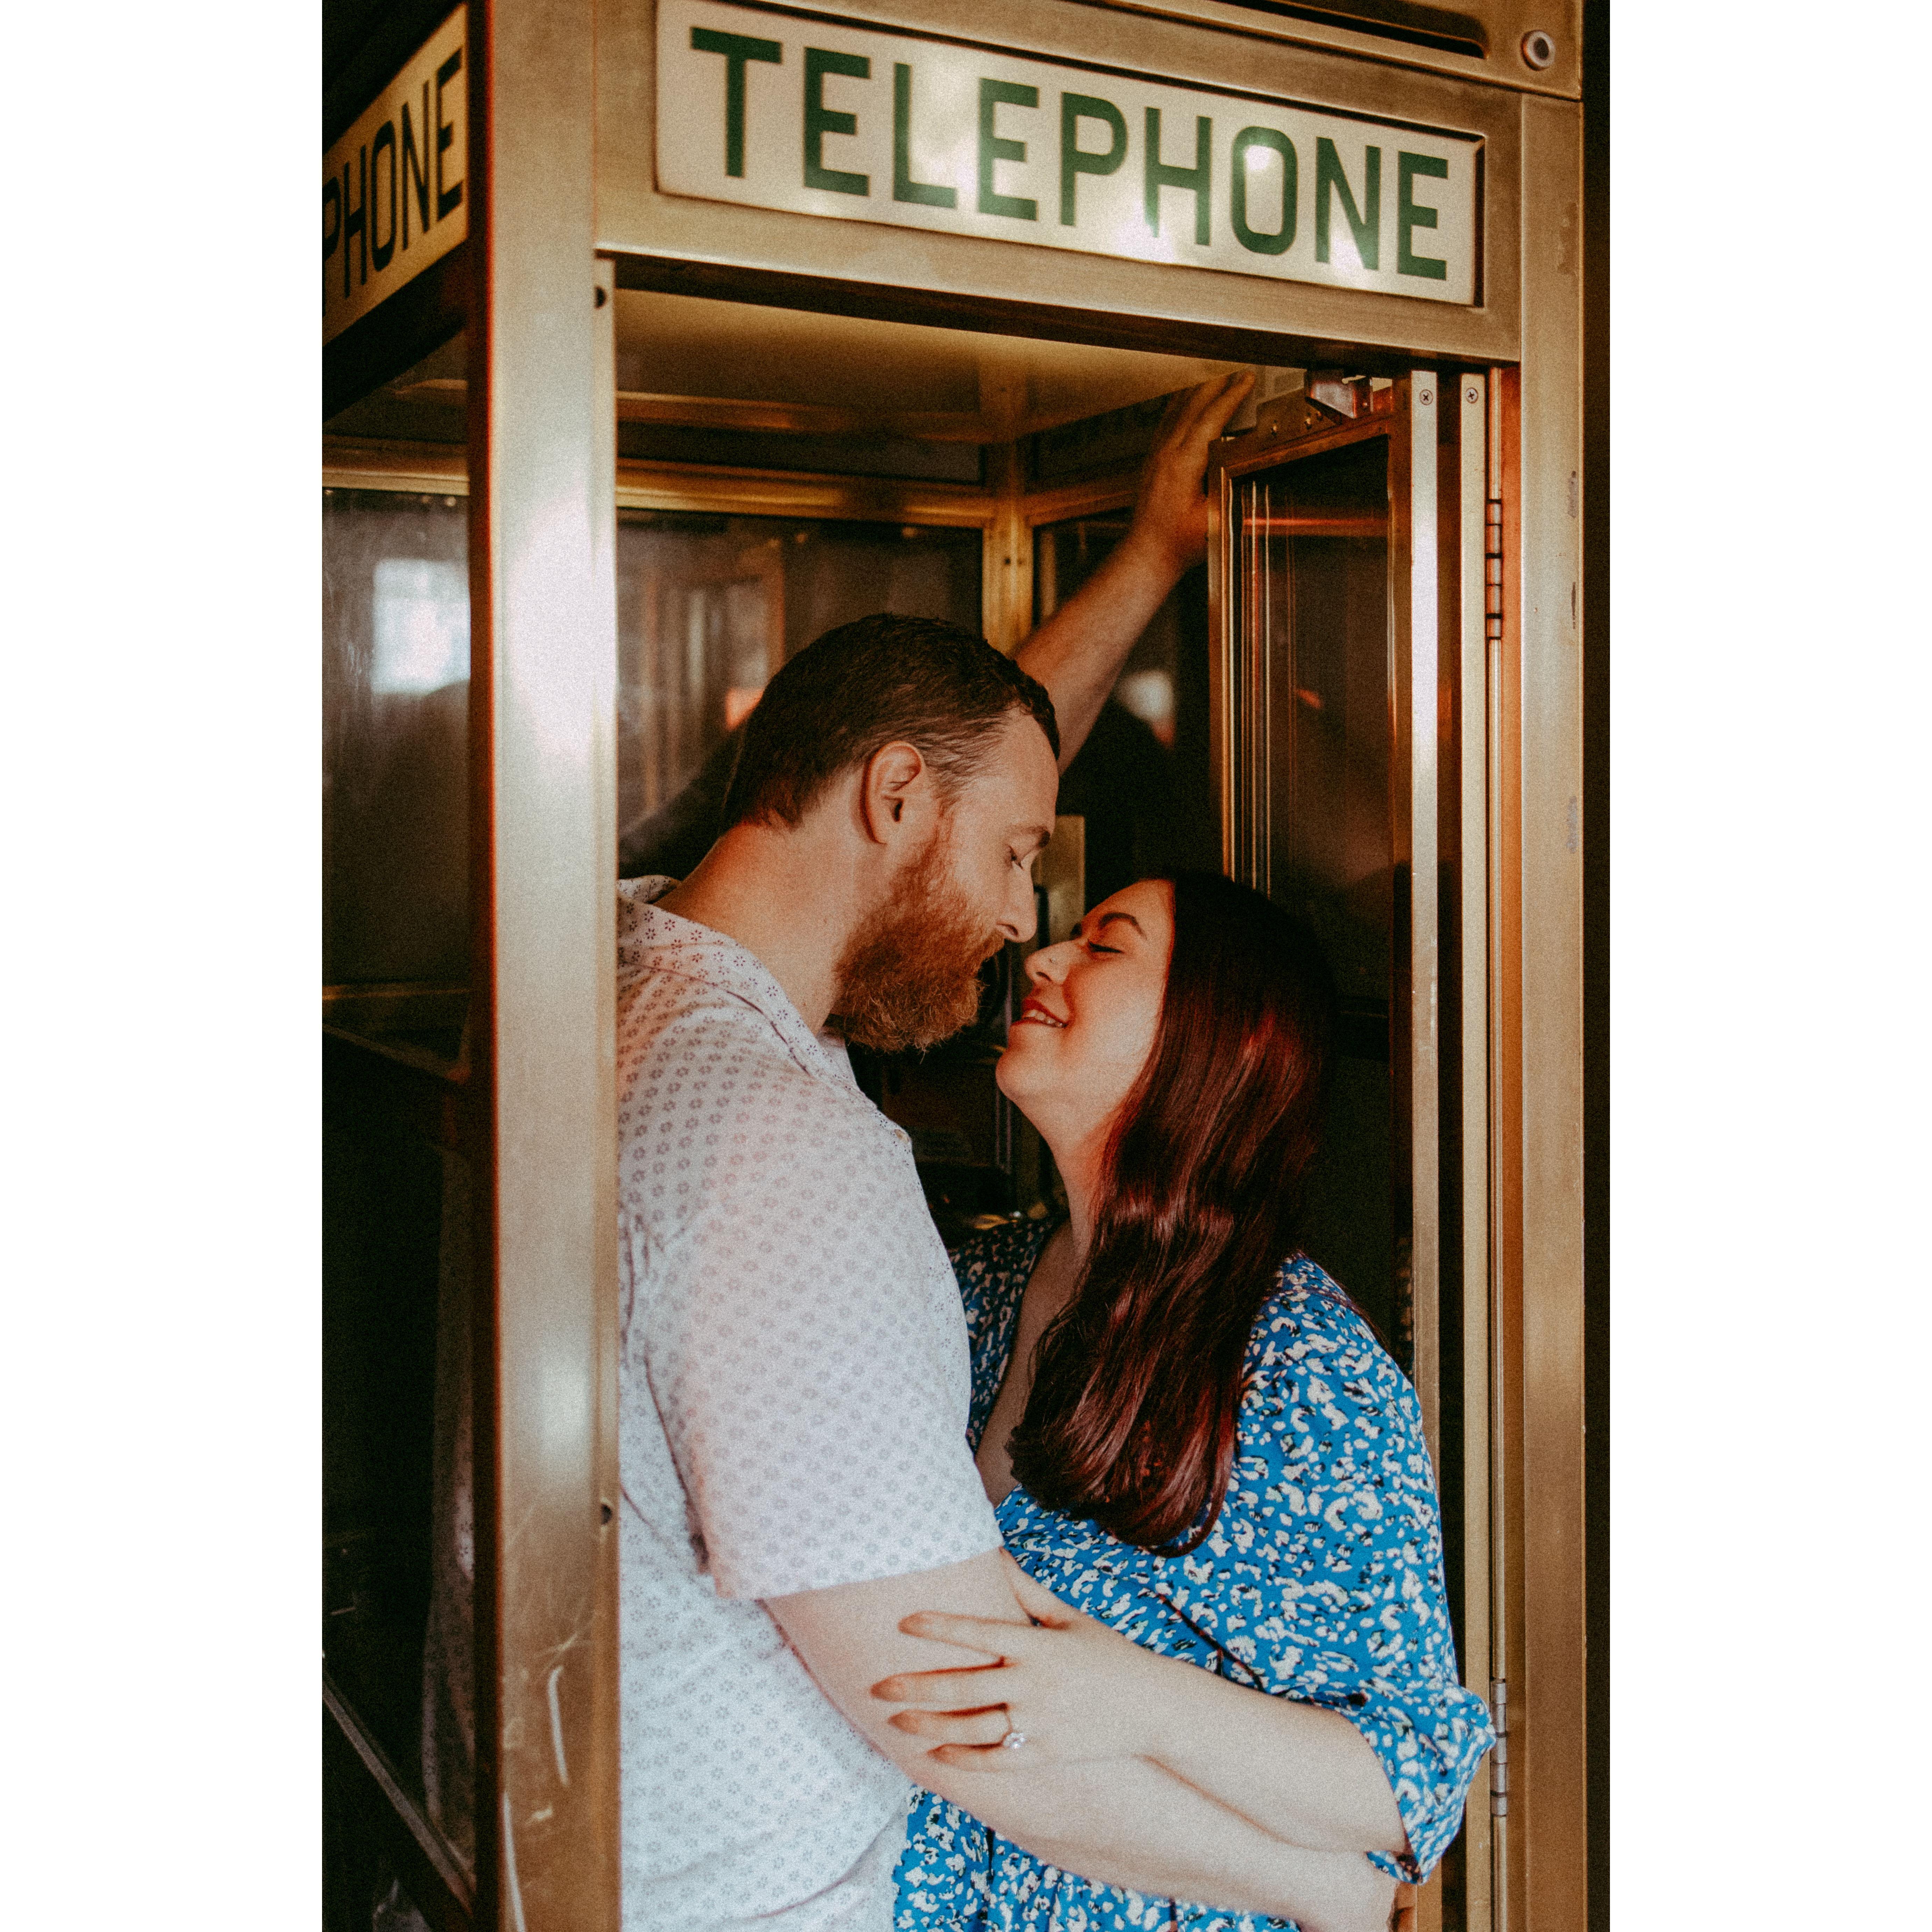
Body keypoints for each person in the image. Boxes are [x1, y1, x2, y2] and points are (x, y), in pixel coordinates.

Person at [622, 377, 1419, 1932]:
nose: (1015, 927)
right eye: (1019, 865)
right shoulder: (812, 1163)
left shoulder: (624, 979)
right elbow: (945, 1691)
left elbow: (926, 802)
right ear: (897, 796)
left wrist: (1149, 557)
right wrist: (1309, 1884)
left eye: (1081, 915)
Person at [871, 873, 1495, 1931]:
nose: (1046, 959)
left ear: (1210, 1042)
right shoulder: (979, 1283)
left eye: (1106, 948)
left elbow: (1406, 1789)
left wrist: (1132, 1700)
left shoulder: (1301, 1369)